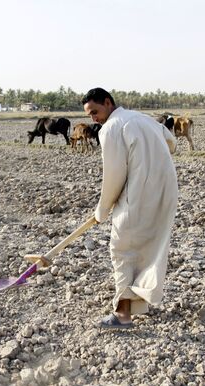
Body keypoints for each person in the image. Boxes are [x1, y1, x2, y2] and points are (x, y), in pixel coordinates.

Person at [81, 87, 178, 329]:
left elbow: (114, 174)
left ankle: (122, 314)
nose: (94, 118)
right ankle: (138, 300)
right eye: (90, 115)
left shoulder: (111, 128)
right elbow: (171, 142)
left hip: (138, 194)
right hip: (165, 190)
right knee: (147, 245)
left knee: (121, 248)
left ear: (107, 102)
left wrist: (102, 210)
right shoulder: (142, 118)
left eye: (95, 111)